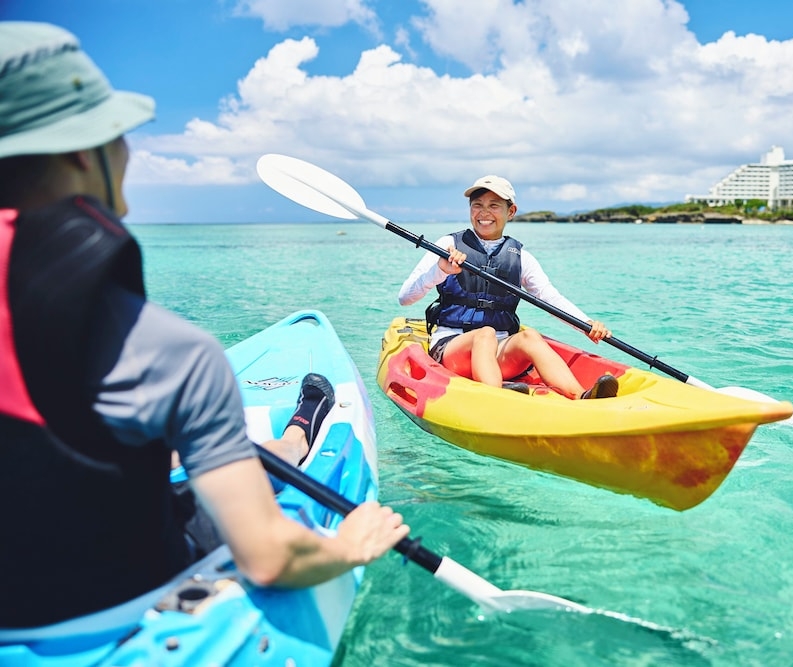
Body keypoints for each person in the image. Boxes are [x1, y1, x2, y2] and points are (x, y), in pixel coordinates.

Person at [0, 21, 408, 629]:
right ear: (86, 152)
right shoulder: (171, 355)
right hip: (119, 583)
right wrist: (353, 545)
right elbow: (268, 559)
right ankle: (300, 430)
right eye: (119, 136)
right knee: (243, 472)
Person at [398, 174, 619, 399]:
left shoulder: (521, 256)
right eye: (477, 205)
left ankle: (581, 396)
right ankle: (498, 398)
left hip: (500, 352)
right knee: (484, 334)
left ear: (510, 211)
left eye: (494, 205)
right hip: (453, 348)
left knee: (530, 337)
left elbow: (549, 297)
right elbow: (405, 297)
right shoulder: (447, 245)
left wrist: (586, 324)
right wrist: (441, 271)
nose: (484, 213)